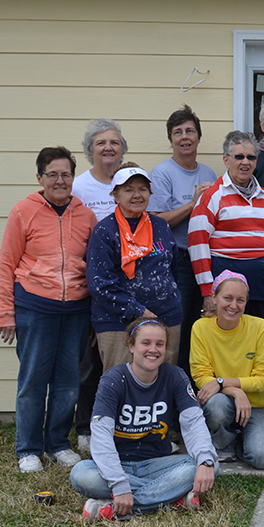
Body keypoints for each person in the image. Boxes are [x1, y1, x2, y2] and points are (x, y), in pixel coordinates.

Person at [0, 146, 97, 473]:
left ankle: (57, 444)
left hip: (75, 311)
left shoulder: (85, 214)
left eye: (65, 174)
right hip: (34, 307)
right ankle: (28, 448)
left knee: (68, 381)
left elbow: (93, 266)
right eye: (52, 174)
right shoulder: (23, 211)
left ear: (73, 177)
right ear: (39, 177)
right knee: (33, 380)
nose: (59, 180)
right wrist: (6, 314)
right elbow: (7, 265)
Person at [70, 318, 218, 520]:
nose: (153, 350)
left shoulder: (175, 376)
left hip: (156, 464)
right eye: (146, 343)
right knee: (81, 474)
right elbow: (101, 436)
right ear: (131, 346)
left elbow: (193, 423)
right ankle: (173, 498)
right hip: (117, 463)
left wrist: (205, 461)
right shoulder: (113, 380)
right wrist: (119, 483)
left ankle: (113, 510)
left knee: (209, 464)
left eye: (160, 344)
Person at [86, 164, 183, 369]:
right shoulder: (104, 231)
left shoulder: (160, 225)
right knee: (121, 387)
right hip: (118, 323)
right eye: (128, 189)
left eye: (142, 189)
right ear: (115, 195)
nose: (137, 195)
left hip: (166, 319)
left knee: (163, 386)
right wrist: (138, 310)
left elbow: (172, 269)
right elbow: (100, 285)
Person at [71, 118, 128, 456]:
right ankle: (85, 428)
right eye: (101, 142)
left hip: (128, 289)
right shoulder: (79, 188)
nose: (108, 147)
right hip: (91, 287)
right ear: (89, 150)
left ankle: (126, 426)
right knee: (90, 362)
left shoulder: (129, 183)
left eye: (114, 142)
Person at [148, 105, 218, 379]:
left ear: (199, 137)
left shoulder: (210, 173)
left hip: (205, 260)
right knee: (177, 326)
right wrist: (193, 203)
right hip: (176, 260)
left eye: (190, 131)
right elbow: (157, 222)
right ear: (171, 139)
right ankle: (171, 386)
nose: (184, 137)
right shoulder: (162, 173)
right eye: (178, 132)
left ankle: (196, 388)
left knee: (201, 327)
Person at [188, 130, 264, 322]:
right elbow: (197, 244)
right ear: (226, 160)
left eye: (251, 157)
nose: (245, 162)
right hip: (226, 294)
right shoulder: (212, 196)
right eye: (239, 156)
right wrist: (207, 291)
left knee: (258, 342)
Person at [190, 270, 264, 468]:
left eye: (240, 300)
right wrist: (235, 392)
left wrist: (221, 382)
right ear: (214, 297)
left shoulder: (260, 327)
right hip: (222, 403)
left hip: (257, 406)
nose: (233, 305)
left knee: (262, 458)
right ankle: (224, 441)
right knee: (216, 405)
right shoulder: (201, 328)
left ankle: (239, 439)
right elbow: (201, 376)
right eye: (227, 298)